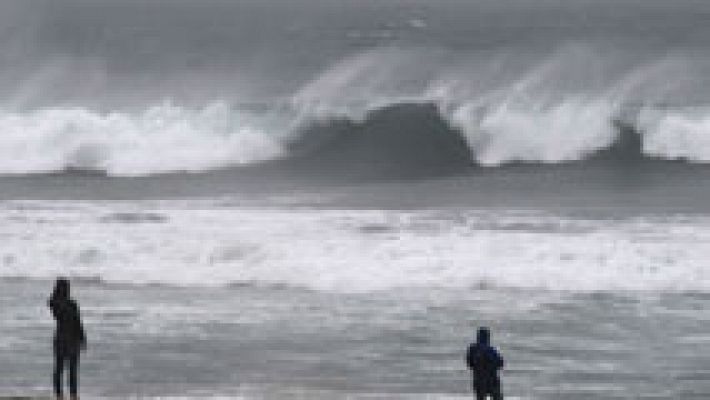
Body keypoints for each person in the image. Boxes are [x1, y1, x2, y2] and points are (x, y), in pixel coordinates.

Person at [48, 278, 86, 399]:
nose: (69, 290)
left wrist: (82, 337)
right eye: (67, 287)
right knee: (60, 369)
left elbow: (78, 322)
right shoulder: (56, 303)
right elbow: (56, 309)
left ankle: (73, 395)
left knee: (71, 370)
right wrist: (82, 337)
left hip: (69, 339)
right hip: (64, 339)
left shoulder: (71, 303)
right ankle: (59, 395)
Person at [465, 327, 504, 400]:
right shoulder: (490, 350)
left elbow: (469, 363)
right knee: (497, 397)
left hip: (478, 379)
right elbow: (500, 363)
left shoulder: (472, 349)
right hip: (491, 379)